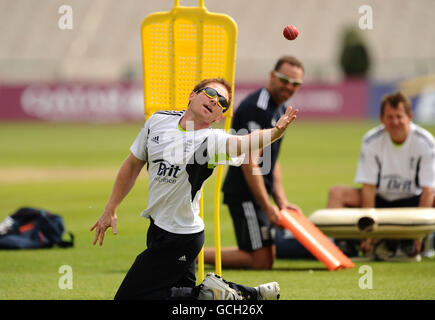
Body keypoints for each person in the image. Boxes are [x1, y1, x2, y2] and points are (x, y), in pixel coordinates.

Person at [90, 77, 298, 300]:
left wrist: (275, 132)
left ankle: (220, 295)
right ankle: (250, 295)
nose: (215, 101)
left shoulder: (211, 140)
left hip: (180, 236)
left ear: (219, 117)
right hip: (159, 227)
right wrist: (110, 208)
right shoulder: (158, 121)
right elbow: (133, 164)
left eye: (222, 103)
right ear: (192, 95)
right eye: (210, 93)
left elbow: (244, 142)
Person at [204, 56, 305, 270]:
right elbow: (249, 160)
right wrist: (268, 206)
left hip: (256, 193)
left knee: (266, 256)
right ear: (272, 76)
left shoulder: (279, 108)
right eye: (285, 80)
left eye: (295, 83)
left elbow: (271, 160)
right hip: (244, 193)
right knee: (261, 261)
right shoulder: (256, 108)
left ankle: (194, 255)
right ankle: (193, 257)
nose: (289, 86)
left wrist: (282, 201)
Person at [327, 91, 435, 259]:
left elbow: (428, 190)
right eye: (389, 117)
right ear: (381, 119)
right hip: (380, 200)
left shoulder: (425, 142)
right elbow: (368, 188)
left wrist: (418, 234)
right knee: (336, 193)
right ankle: (336, 249)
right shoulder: (371, 140)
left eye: (399, 116)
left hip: (413, 202)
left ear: (410, 117)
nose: (395, 122)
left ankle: (426, 241)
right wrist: (368, 235)